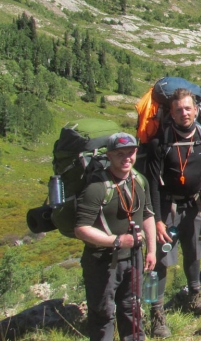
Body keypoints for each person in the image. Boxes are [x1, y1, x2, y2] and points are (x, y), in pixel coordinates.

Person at [145, 88, 201, 338]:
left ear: (197, 110)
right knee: (161, 262)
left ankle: (194, 294)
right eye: (178, 109)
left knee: (194, 252)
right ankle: (156, 313)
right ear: (171, 113)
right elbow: (152, 183)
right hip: (167, 207)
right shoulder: (160, 142)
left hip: (195, 205)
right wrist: (156, 219)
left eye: (188, 108)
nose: (184, 113)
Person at [75, 133, 156, 341]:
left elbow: (147, 215)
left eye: (130, 152)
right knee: (103, 314)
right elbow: (81, 228)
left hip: (134, 257)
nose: (126, 158)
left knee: (133, 309)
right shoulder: (96, 187)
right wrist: (117, 241)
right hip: (102, 262)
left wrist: (152, 250)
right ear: (109, 155)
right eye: (120, 153)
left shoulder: (139, 180)